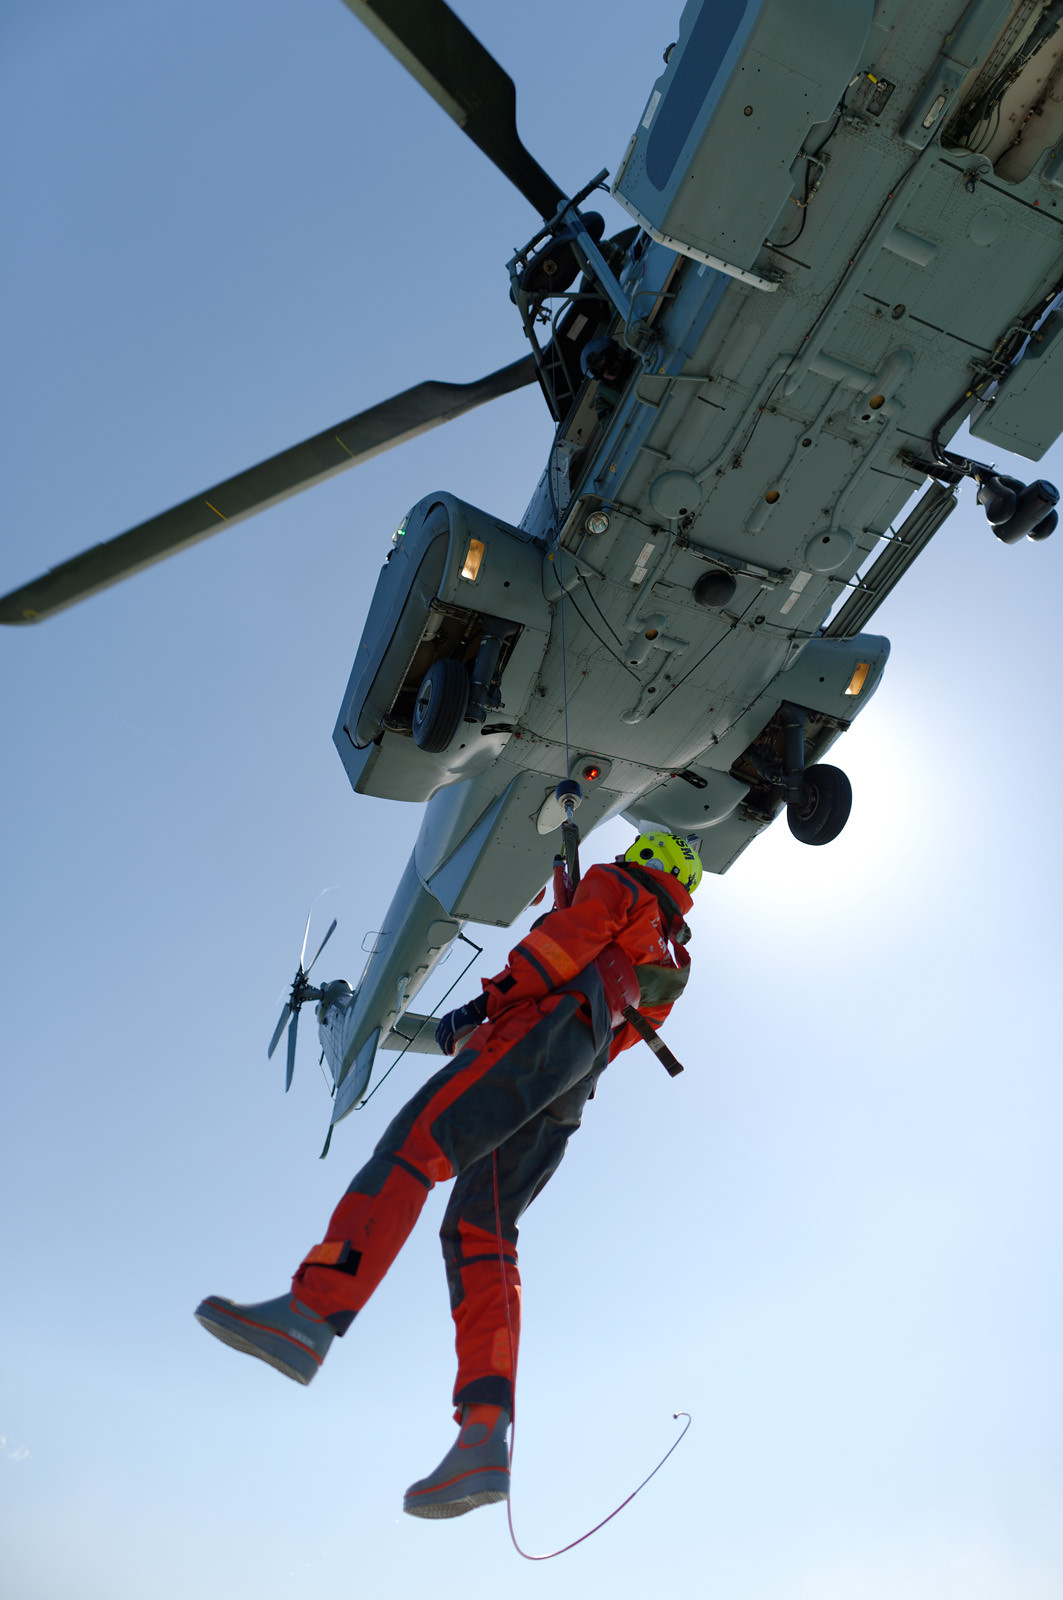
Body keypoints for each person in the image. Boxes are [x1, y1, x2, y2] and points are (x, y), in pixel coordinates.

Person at [196, 830, 702, 1519]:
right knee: (481, 1231)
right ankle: (482, 1437)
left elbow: (555, 951)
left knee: (413, 1147)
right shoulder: (672, 958)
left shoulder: (617, 885)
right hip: (573, 1080)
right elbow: (617, 1026)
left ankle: (311, 1312)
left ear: (646, 858)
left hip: (539, 1034)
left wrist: (484, 1007)